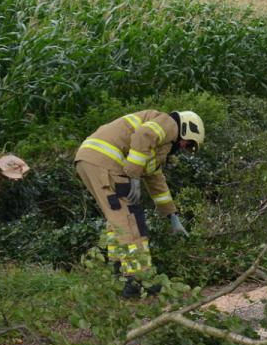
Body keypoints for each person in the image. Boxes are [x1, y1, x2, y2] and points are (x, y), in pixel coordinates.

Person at [74, 110, 204, 298]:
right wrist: (134, 175)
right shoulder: (170, 124)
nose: (184, 147)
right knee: (130, 218)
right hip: (105, 163)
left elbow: (156, 180)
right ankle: (138, 278)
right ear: (187, 129)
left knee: (117, 217)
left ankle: (118, 269)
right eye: (188, 144)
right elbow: (143, 135)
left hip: (90, 161)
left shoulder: (157, 148)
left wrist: (172, 216)